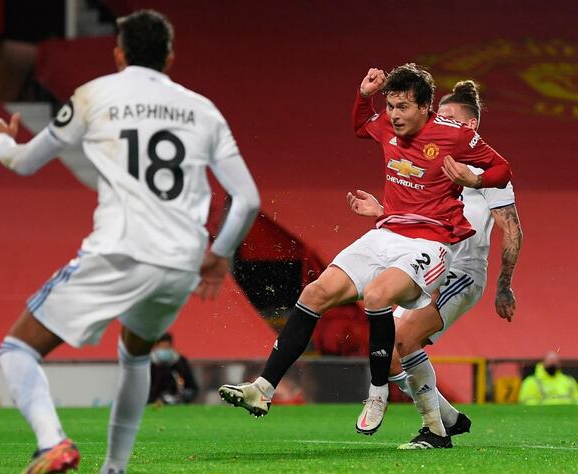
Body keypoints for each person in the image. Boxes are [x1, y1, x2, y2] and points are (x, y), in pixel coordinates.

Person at [0, 10, 260, 474]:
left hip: (119, 250)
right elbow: (248, 199)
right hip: (180, 262)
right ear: (170, 57)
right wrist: (218, 255)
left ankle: (52, 442)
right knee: (135, 354)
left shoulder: (94, 94)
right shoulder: (203, 110)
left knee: (16, 349)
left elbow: (22, 161)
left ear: (119, 53)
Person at [219, 64, 512, 449]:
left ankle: (378, 393)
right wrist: (363, 95)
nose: (393, 115)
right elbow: (361, 126)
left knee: (376, 297)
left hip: (429, 244)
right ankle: (263, 387)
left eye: (402, 106)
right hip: (385, 233)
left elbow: (501, 169)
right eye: (390, 105)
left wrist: (474, 180)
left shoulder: (454, 137)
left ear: (425, 107)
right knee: (314, 294)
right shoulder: (388, 126)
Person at [347, 80, 523, 448]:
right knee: (389, 354)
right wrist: (381, 213)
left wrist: (504, 285)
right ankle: (448, 417)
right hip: (424, 264)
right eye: (438, 115)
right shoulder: (429, 157)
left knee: (403, 338)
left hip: (458, 272)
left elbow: (512, 229)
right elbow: (415, 217)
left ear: (469, 125)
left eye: (448, 117)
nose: (439, 121)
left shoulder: (482, 171)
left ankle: (435, 431)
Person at [148, 333, 198, 405]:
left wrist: (186, 396)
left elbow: (192, 387)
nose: (164, 350)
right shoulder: (148, 363)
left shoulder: (180, 362)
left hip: (176, 402)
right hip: (152, 402)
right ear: (156, 347)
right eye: (161, 346)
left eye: (166, 347)